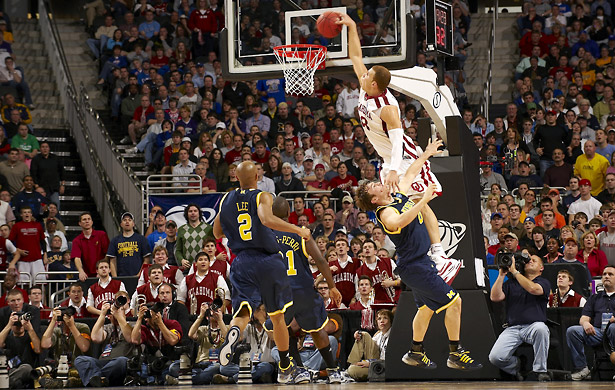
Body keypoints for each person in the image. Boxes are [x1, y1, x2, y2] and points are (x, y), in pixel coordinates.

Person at [337, 12, 460, 284]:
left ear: (375, 84)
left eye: (368, 75)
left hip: (403, 155)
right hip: (388, 159)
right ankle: (417, 257)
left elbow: (396, 141)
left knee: (419, 201)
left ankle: (440, 256)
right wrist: (352, 26)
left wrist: (392, 169)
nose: (363, 74)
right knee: (398, 207)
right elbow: (356, 57)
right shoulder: (366, 87)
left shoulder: (388, 108)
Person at [356, 138, 482, 370]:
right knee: (455, 302)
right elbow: (400, 220)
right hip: (414, 267)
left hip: (419, 264)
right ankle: (455, 353)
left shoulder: (397, 196)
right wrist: (422, 199)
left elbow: (410, 173)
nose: (379, 183)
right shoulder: (384, 213)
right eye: (374, 186)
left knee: (425, 309)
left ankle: (415, 352)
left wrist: (427, 153)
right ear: (374, 199)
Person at [213, 161, 312, 384]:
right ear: (257, 177)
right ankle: (286, 367)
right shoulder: (262, 196)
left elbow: (217, 232)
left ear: (236, 178)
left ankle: (232, 336)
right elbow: (267, 219)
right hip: (267, 261)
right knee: (277, 317)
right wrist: (299, 230)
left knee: (242, 314)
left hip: (240, 261)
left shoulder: (226, 199)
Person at [270, 195, 343, 383]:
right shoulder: (300, 232)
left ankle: (297, 370)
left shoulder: (266, 235)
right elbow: (320, 260)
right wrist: (332, 287)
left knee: (283, 330)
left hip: (279, 291)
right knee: (317, 329)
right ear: (289, 213)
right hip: (302, 288)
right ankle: (333, 371)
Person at [74, 292, 135, 387]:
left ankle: (95, 378)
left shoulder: (131, 325)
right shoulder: (107, 327)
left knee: (122, 361)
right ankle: (100, 379)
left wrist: (119, 317)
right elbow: (95, 338)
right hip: (102, 363)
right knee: (80, 360)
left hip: (118, 364)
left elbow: (130, 338)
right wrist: (102, 314)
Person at [566, 265, 615, 381]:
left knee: (613, 327)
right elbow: (583, 318)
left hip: (613, 332)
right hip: (598, 333)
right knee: (572, 331)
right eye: (604, 274)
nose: (606, 276)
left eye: (610, 274)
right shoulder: (594, 298)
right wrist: (586, 324)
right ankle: (582, 368)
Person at [0, 307, 41, 389]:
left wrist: (30, 329)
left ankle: (5, 382)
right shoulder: (7, 338)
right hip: (9, 371)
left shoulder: (30, 337)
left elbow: (38, 349)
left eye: (20, 324)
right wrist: (9, 324)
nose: (19, 325)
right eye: (16, 324)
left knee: (26, 368)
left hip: (27, 372)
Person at [346, 309, 393, 381]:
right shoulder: (379, 335)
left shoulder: (394, 335)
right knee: (363, 335)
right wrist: (358, 334)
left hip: (384, 367)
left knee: (353, 370)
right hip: (375, 362)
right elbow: (369, 346)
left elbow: (388, 361)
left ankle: (351, 369)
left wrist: (370, 364)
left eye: (385, 318)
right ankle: (354, 362)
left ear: (391, 321)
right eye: (379, 319)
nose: (382, 321)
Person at [8, 206, 46, 282]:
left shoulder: (38, 225)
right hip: (22, 260)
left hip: (37, 259)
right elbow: (10, 242)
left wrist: (45, 255)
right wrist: (18, 250)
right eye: (25, 212)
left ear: (31, 214)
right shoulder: (16, 226)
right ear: (21, 215)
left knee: (40, 282)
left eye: (28, 212)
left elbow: (42, 241)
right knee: (23, 283)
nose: (27, 214)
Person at [107, 212, 151, 277]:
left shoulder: (141, 239)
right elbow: (112, 261)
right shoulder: (115, 240)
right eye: (124, 220)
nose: (127, 222)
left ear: (133, 224)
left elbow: (146, 260)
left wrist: (139, 275)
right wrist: (115, 278)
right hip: (121, 277)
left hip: (138, 277)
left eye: (129, 220)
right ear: (121, 224)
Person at [71, 212, 110, 280]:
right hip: (87, 276)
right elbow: (77, 258)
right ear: (79, 223)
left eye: (89, 219)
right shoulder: (77, 240)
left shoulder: (101, 235)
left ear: (92, 222)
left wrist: (100, 270)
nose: (87, 221)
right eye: (84, 219)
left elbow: (107, 254)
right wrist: (81, 271)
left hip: (103, 274)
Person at [175, 204, 213, 272]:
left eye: (195, 211)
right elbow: (178, 250)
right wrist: (182, 260)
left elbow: (214, 247)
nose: (193, 213)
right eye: (190, 211)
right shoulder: (181, 230)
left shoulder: (208, 228)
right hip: (188, 269)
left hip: (205, 268)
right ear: (187, 214)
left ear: (199, 213)